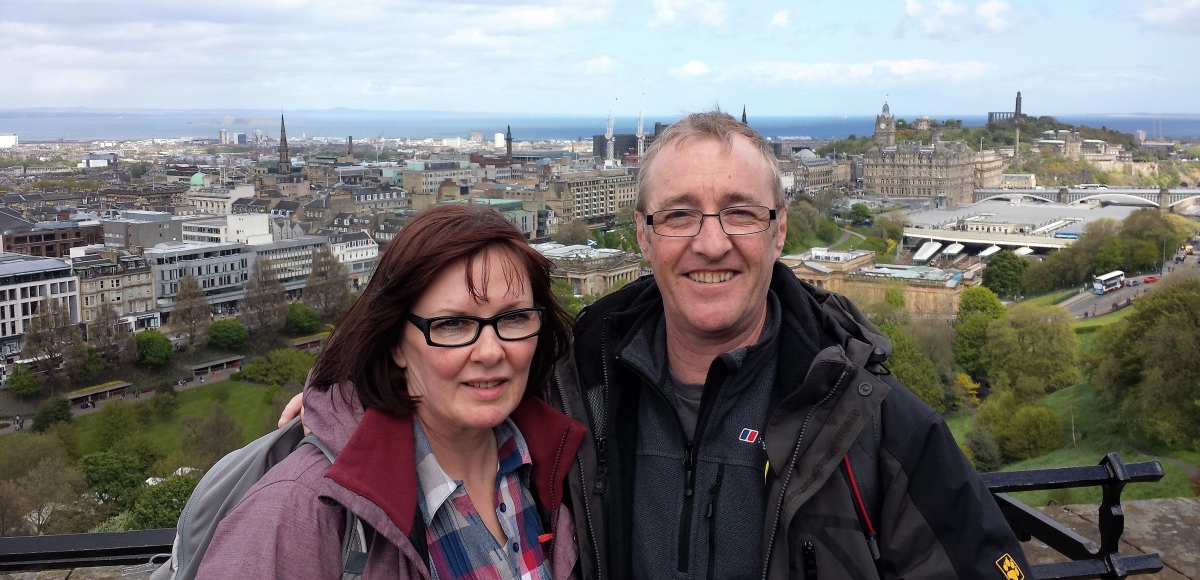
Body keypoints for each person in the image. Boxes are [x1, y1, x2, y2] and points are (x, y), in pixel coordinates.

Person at [547, 110, 1029, 578]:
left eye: (741, 213)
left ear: (779, 232)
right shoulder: (571, 400)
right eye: (678, 215)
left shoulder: (882, 426)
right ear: (643, 235)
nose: (711, 244)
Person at [203, 204, 586, 579]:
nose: (491, 352)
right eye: (452, 324)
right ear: (396, 344)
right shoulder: (299, 508)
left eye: (515, 317)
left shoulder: (562, 463)